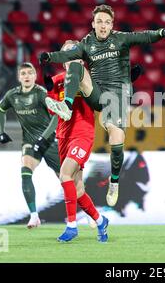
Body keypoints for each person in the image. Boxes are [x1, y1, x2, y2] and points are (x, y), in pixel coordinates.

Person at [38, 4, 165, 207]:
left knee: (116, 139)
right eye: (99, 22)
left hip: (116, 98)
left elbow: (145, 36)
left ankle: (114, 183)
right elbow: (68, 56)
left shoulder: (120, 38)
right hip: (96, 93)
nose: (103, 26)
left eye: (107, 22)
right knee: (77, 64)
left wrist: (163, 32)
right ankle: (67, 106)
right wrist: (50, 57)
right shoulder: (86, 43)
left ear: (111, 24)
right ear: (93, 24)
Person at [45, 41, 109, 243]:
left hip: (83, 133)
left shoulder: (85, 76)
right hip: (63, 135)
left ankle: (71, 226)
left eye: (74, 54)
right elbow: (51, 110)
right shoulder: (55, 81)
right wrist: (52, 104)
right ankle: (100, 221)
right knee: (77, 188)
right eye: (67, 55)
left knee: (64, 174)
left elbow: (100, 98)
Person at [0, 62, 60, 229]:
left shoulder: (41, 94)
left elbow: (56, 116)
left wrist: (44, 137)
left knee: (66, 179)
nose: (26, 76)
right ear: (19, 77)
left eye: (29, 73)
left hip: (50, 141)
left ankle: (89, 212)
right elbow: (1, 109)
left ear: (35, 76)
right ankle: (34, 216)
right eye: (23, 73)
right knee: (25, 172)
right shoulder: (12, 95)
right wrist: (1, 131)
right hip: (30, 141)